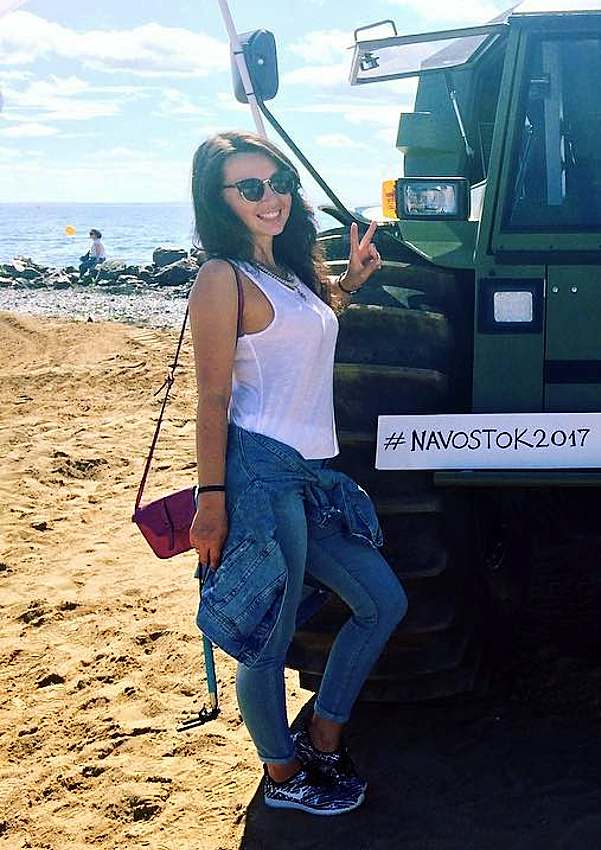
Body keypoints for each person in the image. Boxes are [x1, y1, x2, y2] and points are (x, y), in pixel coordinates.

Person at [186, 130, 407, 816]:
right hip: (258, 473)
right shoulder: (221, 278)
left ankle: (323, 734)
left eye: (279, 182)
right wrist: (211, 501)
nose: (271, 197)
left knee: (382, 602)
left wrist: (349, 282)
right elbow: (212, 397)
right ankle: (283, 773)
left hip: (311, 475)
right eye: (251, 187)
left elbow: (298, 332)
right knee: (268, 636)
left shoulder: (287, 271)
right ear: (220, 199)